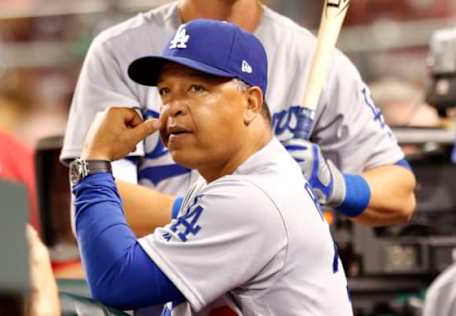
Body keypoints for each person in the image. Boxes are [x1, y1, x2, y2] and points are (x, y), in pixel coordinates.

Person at [71, 19, 353, 315]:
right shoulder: (233, 181)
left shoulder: (252, 197)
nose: (173, 107)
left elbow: (117, 280)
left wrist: (93, 162)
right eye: (165, 91)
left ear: (251, 103)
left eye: (197, 88)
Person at [61, 0, 415, 235]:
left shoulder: (313, 58)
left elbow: (400, 194)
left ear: (252, 101)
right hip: (164, 288)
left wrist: (334, 183)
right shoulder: (119, 51)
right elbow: (98, 202)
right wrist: (218, 213)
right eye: (167, 91)